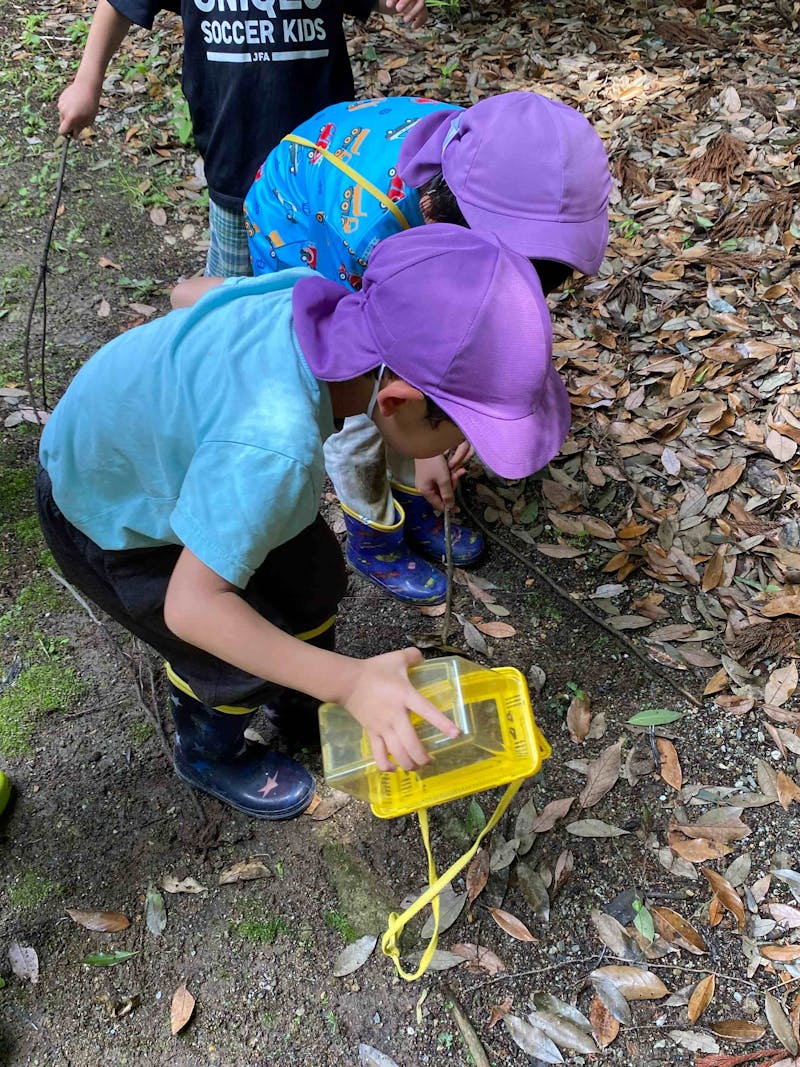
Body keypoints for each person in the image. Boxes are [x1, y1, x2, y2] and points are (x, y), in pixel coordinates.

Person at [36, 225, 570, 820]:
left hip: (190, 460)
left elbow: (187, 292)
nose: (461, 445)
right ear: (395, 401)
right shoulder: (275, 449)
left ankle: (300, 696)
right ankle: (211, 751)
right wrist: (350, 684)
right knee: (230, 660)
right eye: (460, 430)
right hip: (119, 513)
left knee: (311, 583)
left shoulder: (317, 299)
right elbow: (191, 608)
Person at [240, 91, 611, 603]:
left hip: (365, 206)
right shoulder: (369, 231)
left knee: (411, 411)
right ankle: (373, 534)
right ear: (442, 221)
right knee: (352, 408)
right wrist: (430, 438)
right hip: (303, 218)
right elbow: (374, 375)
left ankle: (414, 485)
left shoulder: (499, 159)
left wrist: (453, 417)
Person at [57, 0, 426, 277]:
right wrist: (86, 84)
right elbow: (119, 6)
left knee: (322, 296)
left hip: (318, 171)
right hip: (236, 162)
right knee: (231, 300)